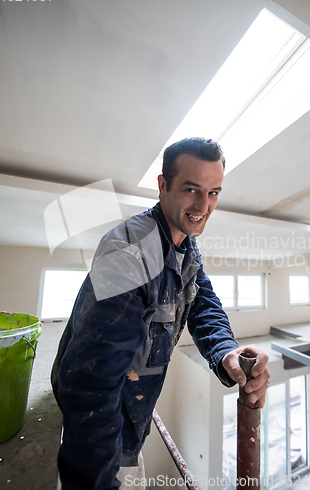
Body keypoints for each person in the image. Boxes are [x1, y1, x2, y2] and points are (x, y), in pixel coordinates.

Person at [51, 137, 270, 490]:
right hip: (100, 441)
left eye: (213, 192)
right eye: (191, 189)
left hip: (128, 427)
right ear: (163, 185)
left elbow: (201, 300)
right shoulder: (129, 253)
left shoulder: (183, 243)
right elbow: (91, 383)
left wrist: (225, 351)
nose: (204, 205)